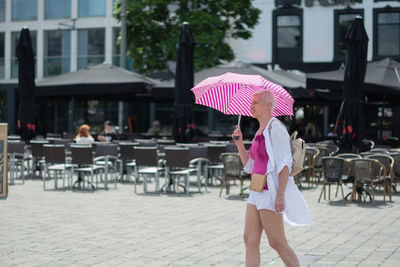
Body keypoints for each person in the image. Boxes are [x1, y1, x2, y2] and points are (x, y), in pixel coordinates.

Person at [232, 90, 312, 267]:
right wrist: (239, 143)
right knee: (249, 239)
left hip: (270, 190)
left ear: (268, 105)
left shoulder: (275, 128)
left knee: (277, 242)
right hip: (256, 189)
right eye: (251, 102)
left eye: (256, 102)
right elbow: (250, 166)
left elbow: (285, 164)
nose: (251, 106)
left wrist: (280, 194)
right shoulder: (260, 129)